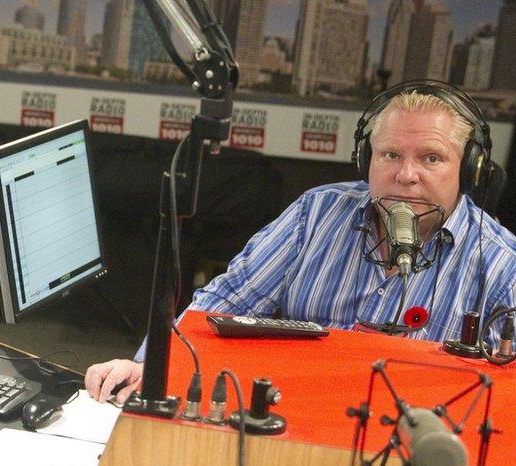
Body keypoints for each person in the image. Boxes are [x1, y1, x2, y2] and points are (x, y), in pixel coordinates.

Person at [86, 81, 516, 403]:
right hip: (287, 425)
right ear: (367, 159)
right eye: (390, 155)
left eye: (431, 158)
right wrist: (152, 368)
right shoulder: (317, 213)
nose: (406, 174)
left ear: (471, 169)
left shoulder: (502, 266)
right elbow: (228, 299)